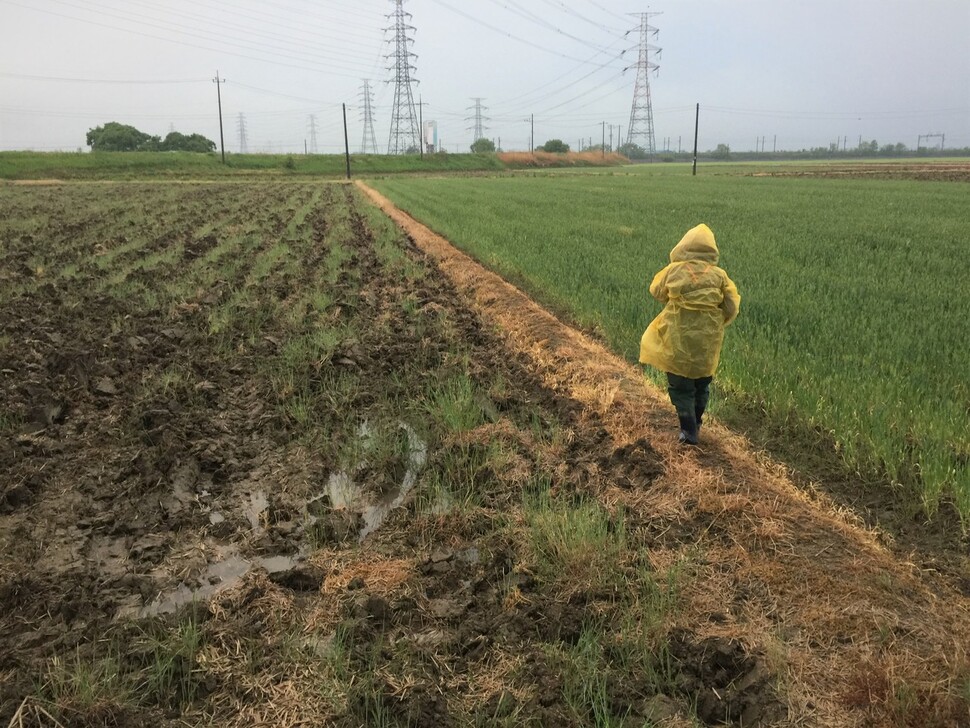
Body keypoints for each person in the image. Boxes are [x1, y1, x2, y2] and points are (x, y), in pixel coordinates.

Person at [639, 223, 741, 445]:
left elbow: (656, 291)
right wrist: (714, 319)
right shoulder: (719, 276)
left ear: (683, 246)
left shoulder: (674, 270)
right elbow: (732, 306)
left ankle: (687, 430)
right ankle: (697, 421)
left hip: (678, 337)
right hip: (708, 340)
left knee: (680, 384)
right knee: (702, 383)